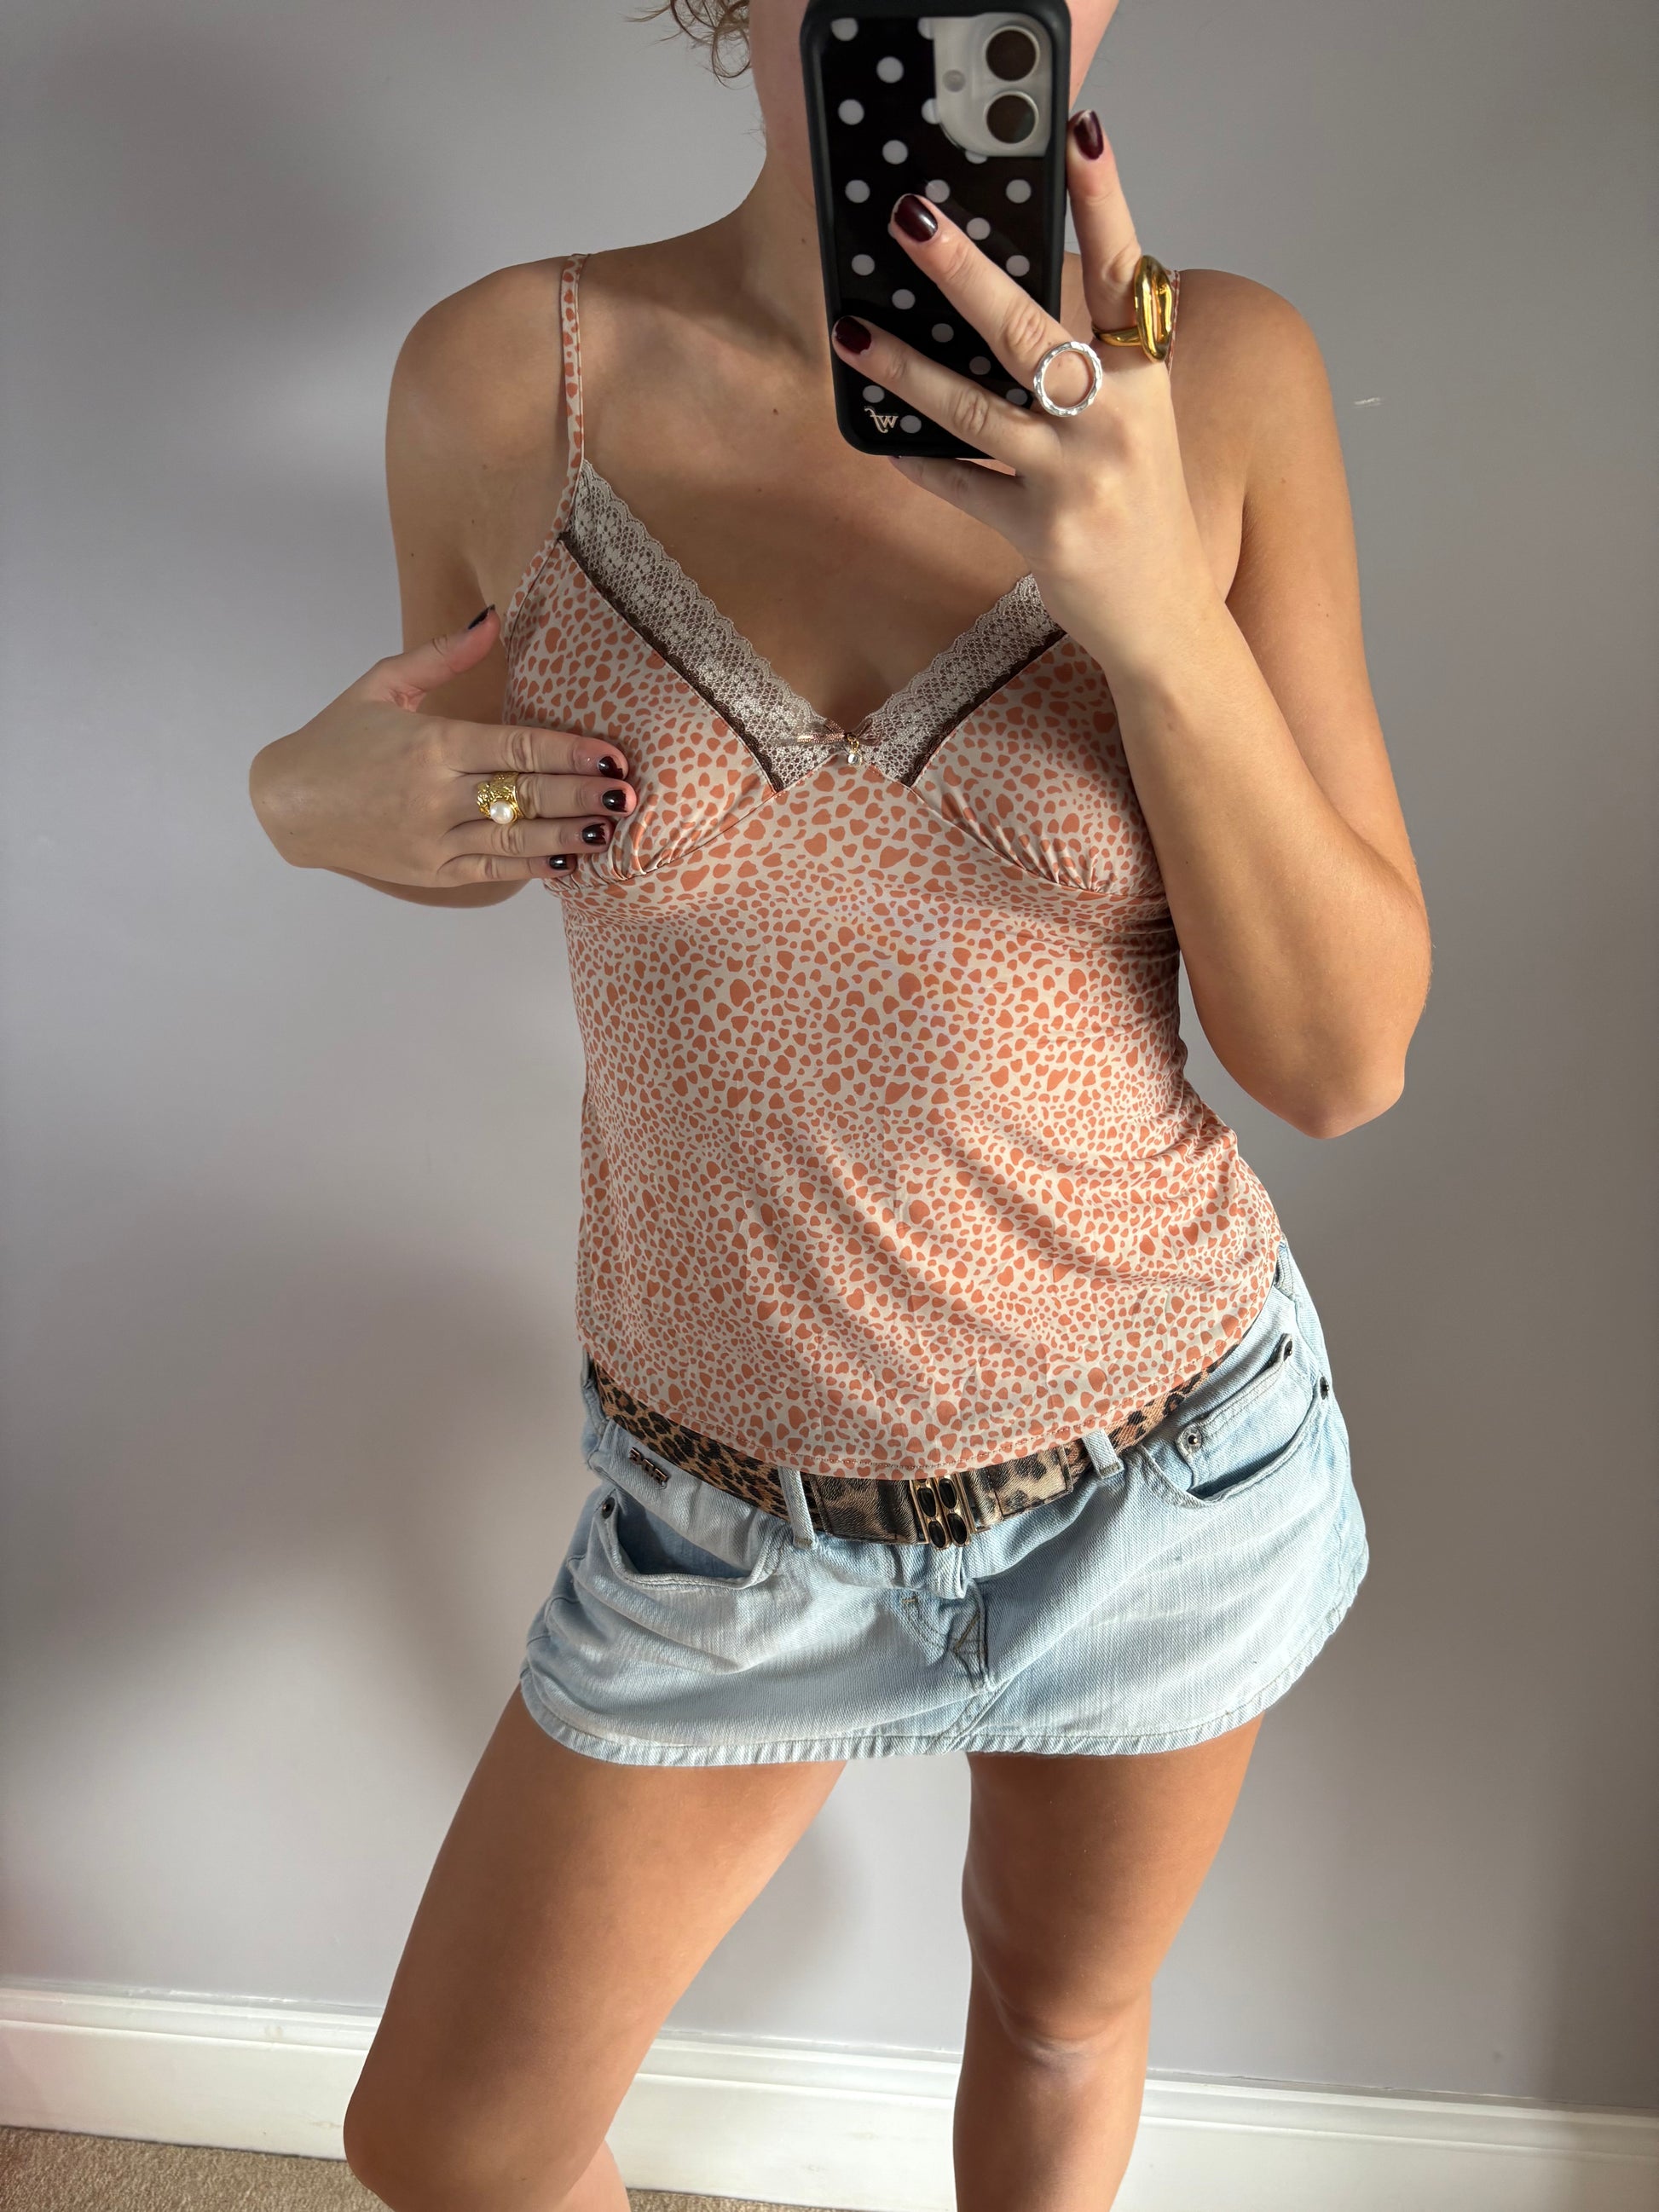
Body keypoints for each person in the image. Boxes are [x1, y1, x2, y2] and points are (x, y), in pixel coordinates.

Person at [248, 1, 1429, 2204]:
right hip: (727, 1515)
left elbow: (1341, 1060)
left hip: (1160, 1469)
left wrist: (1156, 617)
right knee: (455, 2142)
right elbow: (484, 807)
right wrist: (296, 805)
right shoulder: (504, 384)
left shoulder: (1220, 380)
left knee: (1057, 2012)